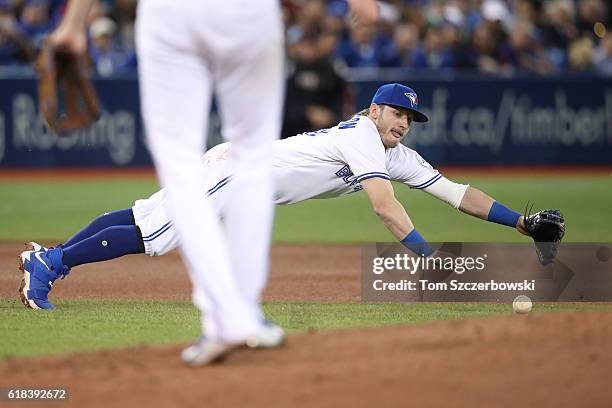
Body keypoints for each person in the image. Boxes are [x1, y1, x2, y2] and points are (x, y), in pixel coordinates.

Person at [18, 0, 380, 366]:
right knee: (239, 171)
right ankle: (238, 313)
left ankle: (53, 260)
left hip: (170, 16)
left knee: (176, 177)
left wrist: (74, 21)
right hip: (247, 16)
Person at [20, 82, 536, 314]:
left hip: (234, 165)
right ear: (374, 110)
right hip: (238, 173)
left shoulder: (395, 153)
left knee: (142, 216)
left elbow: (457, 194)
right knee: (157, 235)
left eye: (410, 118)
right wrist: (429, 258)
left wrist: (522, 223)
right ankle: (54, 261)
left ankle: (51, 261)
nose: (403, 123)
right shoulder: (361, 136)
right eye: (396, 113)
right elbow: (384, 207)